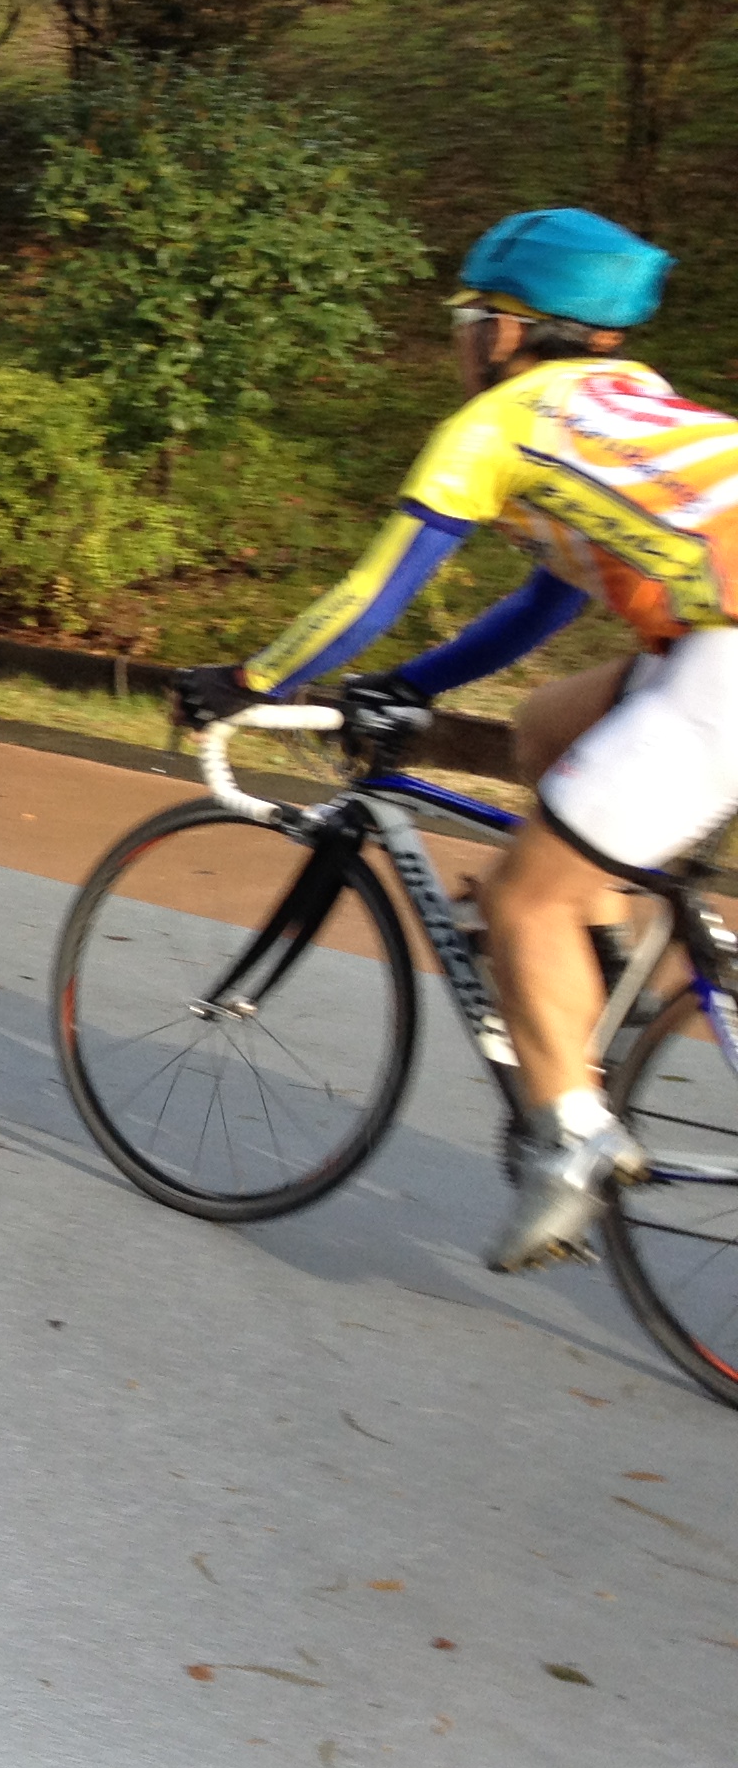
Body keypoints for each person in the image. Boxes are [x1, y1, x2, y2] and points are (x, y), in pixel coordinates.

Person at [170, 206, 719, 1273]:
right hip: (701, 643)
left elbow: (373, 591)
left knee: (522, 902)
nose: (460, 340)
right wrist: (413, 685)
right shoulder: (631, 400)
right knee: (548, 724)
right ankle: (603, 953)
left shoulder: (498, 424)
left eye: (468, 318)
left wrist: (246, 682)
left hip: (724, 662)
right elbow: (549, 603)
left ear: (508, 329)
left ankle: (573, 1145)